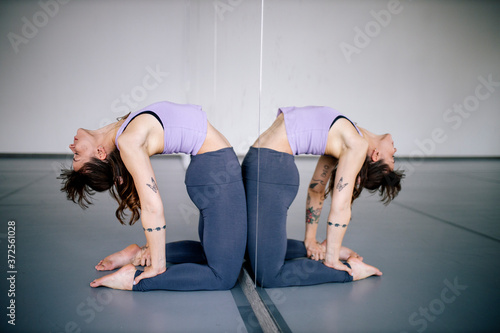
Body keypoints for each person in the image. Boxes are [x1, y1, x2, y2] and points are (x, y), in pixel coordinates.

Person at [59, 101, 247, 291]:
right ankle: (133, 279)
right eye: (76, 155)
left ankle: (137, 255)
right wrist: (157, 265)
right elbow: (152, 206)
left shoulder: (123, 131)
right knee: (223, 276)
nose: (71, 147)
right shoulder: (128, 140)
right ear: (100, 153)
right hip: (217, 171)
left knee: (213, 252)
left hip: (212, 169)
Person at [242, 106, 404, 288]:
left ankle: (351, 271)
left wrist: (332, 260)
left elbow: (340, 206)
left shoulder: (357, 144)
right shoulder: (351, 135)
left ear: (376, 156)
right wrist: (310, 241)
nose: (395, 149)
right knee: (246, 248)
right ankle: (319, 250)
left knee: (268, 275)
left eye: (393, 158)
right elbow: (316, 190)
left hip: (271, 170)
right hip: (261, 163)